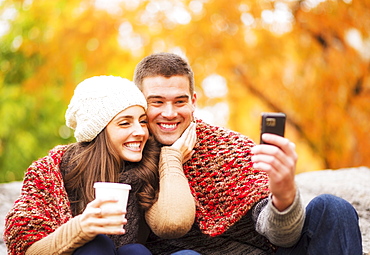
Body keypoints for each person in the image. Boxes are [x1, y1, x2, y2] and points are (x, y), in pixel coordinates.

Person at [133, 52, 363, 255]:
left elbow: (282, 236)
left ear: (193, 102)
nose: (170, 113)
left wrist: (283, 196)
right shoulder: (129, 154)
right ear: (139, 102)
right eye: (157, 102)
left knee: (334, 208)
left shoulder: (229, 148)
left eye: (179, 101)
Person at [3, 75, 197, 255]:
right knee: (96, 244)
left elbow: (173, 222)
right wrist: (81, 228)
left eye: (142, 121)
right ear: (99, 132)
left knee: (137, 251)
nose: (140, 132)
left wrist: (171, 158)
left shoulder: (148, 164)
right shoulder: (52, 172)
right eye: (124, 123)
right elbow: (26, 249)